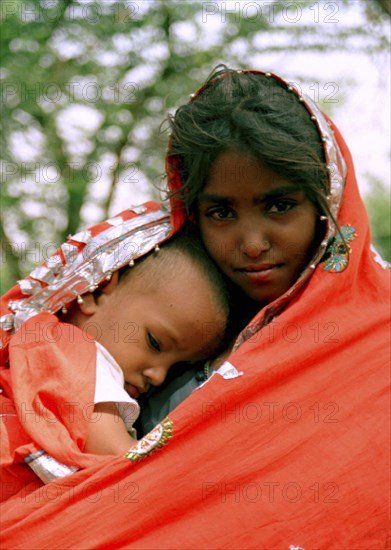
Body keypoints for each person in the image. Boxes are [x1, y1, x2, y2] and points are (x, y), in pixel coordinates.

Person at [0, 67, 389, 550]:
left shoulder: (378, 346)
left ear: (327, 200)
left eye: (280, 205)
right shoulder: (176, 306)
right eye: (221, 212)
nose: (251, 244)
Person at [0, 205, 229, 490]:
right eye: (155, 343)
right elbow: (124, 459)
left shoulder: (43, 346)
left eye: (177, 368)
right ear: (98, 289)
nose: (158, 376)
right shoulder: (73, 351)